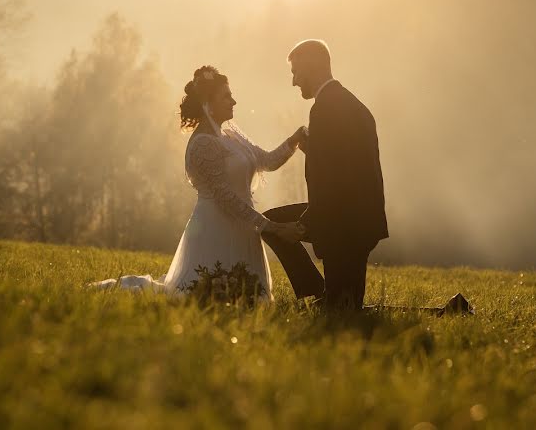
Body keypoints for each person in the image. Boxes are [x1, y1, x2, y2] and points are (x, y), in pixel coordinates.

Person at [91, 65, 305, 300]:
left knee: (248, 296)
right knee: (203, 294)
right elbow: (224, 197)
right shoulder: (203, 144)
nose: (233, 101)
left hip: (243, 226)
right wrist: (270, 226)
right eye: (226, 96)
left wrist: (294, 140)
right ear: (208, 103)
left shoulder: (231, 136)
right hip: (216, 230)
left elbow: (268, 161)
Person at [262, 39, 388, 310]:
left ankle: (319, 292)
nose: (294, 82)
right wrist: (312, 149)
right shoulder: (351, 104)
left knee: (343, 308)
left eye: (296, 73)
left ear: (311, 68)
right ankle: (320, 293)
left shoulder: (324, 109)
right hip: (361, 219)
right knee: (347, 303)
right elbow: (344, 163)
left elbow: (330, 181)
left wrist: (304, 224)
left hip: (342, 224)